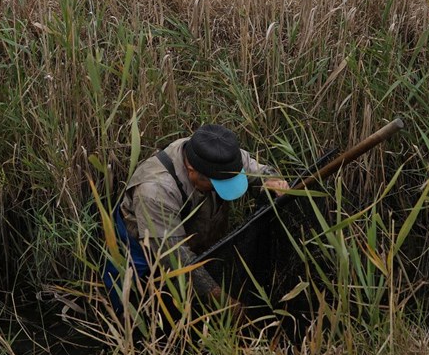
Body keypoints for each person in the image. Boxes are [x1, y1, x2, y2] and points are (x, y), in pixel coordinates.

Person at [102, 124, 289, 319]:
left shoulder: (222, 157)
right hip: (145, 244)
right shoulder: (155, 190)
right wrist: (222, 301)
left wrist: (273, 180)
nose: (219, 191)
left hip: (194, 234)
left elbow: (258, 171)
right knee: (134, 306)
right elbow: (175, 259)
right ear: (191, 170)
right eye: (216, 185)